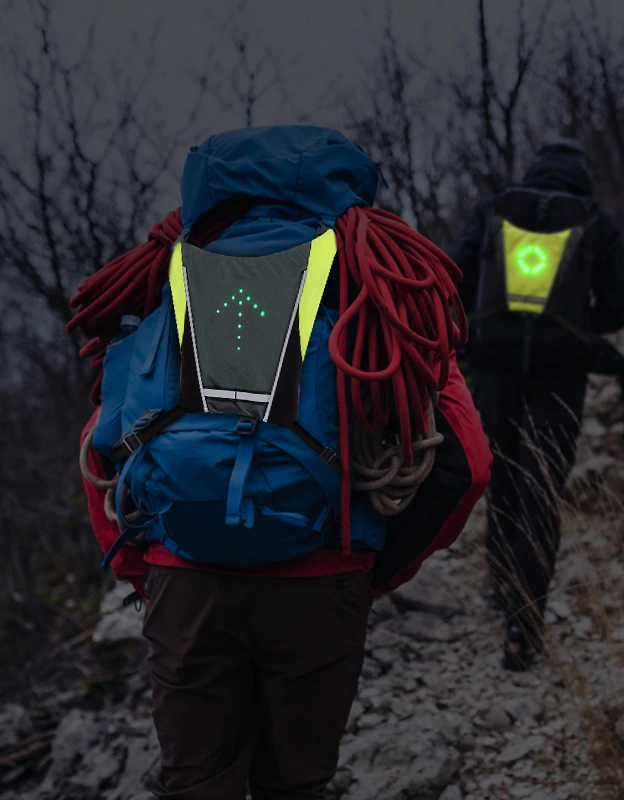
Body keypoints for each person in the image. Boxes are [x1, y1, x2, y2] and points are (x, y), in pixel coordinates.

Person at [72, 126, 491, 799]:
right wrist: (370, 569)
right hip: (323, 578)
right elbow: (466, 463)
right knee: (296, 784)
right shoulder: (376, 281)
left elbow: (100, 443)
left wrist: (143, 572)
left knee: (194, 784)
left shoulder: (168, 274)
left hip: (184, 578)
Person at [449, 137, 624, 670]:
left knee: (501, 476)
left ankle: (498, 581)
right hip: (560, 378)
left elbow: (454, 280)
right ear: (581, 178)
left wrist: (476, 336)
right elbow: (623, 304)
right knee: (543, 490)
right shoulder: (594, 223)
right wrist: (576, 327)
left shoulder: (493, 211)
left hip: (493, 371)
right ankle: (522, 629)